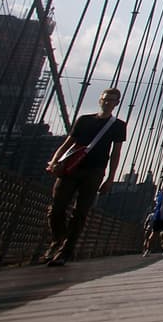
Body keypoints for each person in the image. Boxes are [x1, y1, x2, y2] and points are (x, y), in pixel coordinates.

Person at [42, 87, 127, 266]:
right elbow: (67, 144)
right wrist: (54, 161)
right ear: (100, 100)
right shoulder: (83, 120)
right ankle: (58, 239)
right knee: (56, 209)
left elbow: (116, 153)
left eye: (111, 100)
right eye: (105, 99)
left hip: (95, 171)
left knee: (80, 212)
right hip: (71, 168)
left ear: (116, 103)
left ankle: (65, 252)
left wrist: (110, 179)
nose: (107, 102)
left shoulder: (118, 126)